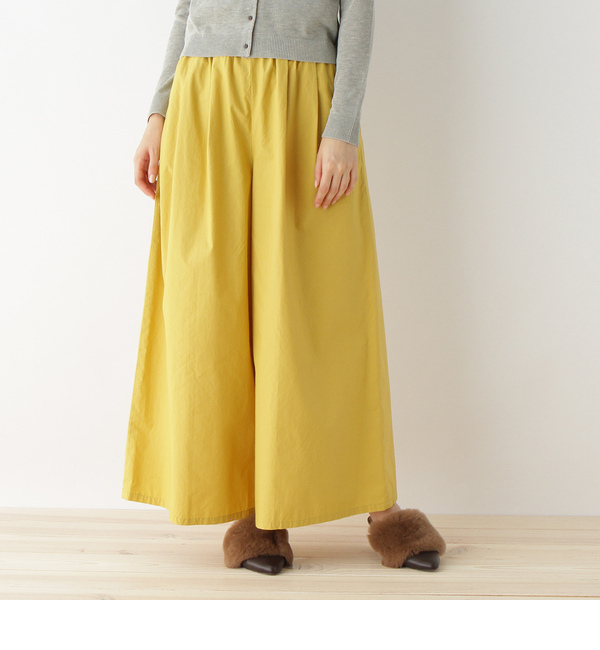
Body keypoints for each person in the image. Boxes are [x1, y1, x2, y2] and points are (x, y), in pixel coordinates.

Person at [123, 0, 447, 575]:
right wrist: (158, 113)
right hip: (204, 102)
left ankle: (382, 506)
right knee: (211, 306)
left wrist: (342, 127)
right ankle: (256, 512)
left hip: (303, 104)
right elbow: (185, 13)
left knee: (323, 308)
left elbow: (358, 16)